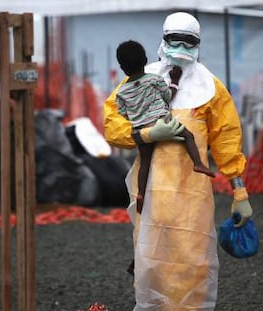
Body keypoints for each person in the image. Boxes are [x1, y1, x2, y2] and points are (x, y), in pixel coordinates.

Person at [103, 11, 253, 310]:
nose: (182, 48)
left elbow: (226, 140)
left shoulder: (211, 89)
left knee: (194, 260)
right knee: (151, 260)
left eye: (189, 41)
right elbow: (112, 125)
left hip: (192, 197)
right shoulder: (138, 80)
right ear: (164, 39)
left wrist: (239, 191)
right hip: (151, 193)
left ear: (198, 43)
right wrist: (145, 134)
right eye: (176, 40)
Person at [115, 40, 215, 214]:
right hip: (163, 121)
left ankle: (140, 194)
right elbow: (168, 96)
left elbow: (122, 112)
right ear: (145, 60)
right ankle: (198, 163)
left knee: (145, 163)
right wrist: (175, 80)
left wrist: (138, 116)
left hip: (142, 130)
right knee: (187, 136)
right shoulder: (154, 80)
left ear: (122, 68)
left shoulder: (121, 92)